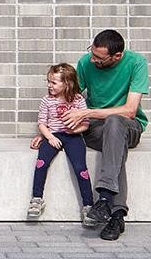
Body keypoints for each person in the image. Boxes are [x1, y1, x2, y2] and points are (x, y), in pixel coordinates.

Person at [60, 29, 149, 241]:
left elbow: (129, 110)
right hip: (96, 130)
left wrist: (89, 111)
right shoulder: (85, 63)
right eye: (91, 52)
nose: (92, 59)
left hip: (129, 126)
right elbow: (68, 99)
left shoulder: (136, 63)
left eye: (98, 58)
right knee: (114, 144)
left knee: (115, 122)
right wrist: (48, 130)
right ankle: (117, 214)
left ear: (116, 56)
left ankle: (105, 198)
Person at [26, 63, 93, 220]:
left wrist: (74, 131)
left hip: (73, 137)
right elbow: (42, 123)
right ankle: (36, 198)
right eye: (48, 81)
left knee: (80, 168)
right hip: (53, 136)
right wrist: (49, 137)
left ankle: (88, 205)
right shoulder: (47, 101)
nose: (50, 85)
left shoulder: (78, 100)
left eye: (54, 82)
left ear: (67, 83)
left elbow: (86, 124)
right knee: (41, 163)